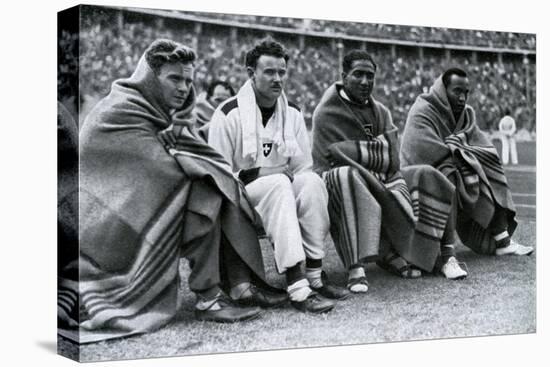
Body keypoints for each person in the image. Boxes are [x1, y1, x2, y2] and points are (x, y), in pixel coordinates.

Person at [57, 39, 288, 344]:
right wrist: (211, 170)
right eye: (175, 78)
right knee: (206, 192)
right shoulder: (120, 111)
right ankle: (210, 299)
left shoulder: (163, 111)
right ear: (151, 78)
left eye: (189, 80)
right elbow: (165, 169)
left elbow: (189, 153)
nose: (183, 87)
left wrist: (209, 167)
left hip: (130, 211)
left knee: (213, 185)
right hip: (103, 225)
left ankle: (236, 287)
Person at [208, 39, 349, 313]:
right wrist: (263, 172)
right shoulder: (227, 114)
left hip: (279, 197)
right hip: (239, 202)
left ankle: (314, 275)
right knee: (278, 183)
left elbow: (302, 168)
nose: (277, 79)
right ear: (251, 74)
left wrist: (282, 177)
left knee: (312, 182)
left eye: (281, 72)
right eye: (269, 72)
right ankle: (297, 288)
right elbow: (218, 177)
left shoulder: (292, 113)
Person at [311, 50, 467, 288]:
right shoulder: (325, 113)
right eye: (358, 75)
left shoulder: (381, 111)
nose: (365, 82)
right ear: (343, 76)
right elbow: (328, 160)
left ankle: (444, 255)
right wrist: (373, 153)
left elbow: (391, 156)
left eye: (370, 76)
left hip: (385, 176)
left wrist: (355, 152)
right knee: (344, 175)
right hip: (346, 181)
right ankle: (356, 266)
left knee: (430, 174)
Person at [400, 67, 533, 257]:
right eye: (457, 91)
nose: (462, 98)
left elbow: (482, 146)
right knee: (450, 174)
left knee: (487, 165)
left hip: (455, 167)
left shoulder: (466, 113)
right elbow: (419, 149)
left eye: (466, 93)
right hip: (419, 176)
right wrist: (462, 153)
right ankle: (447, 252)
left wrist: (464, 152)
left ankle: (502, 239)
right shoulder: (422, 109)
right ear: (442, 90)